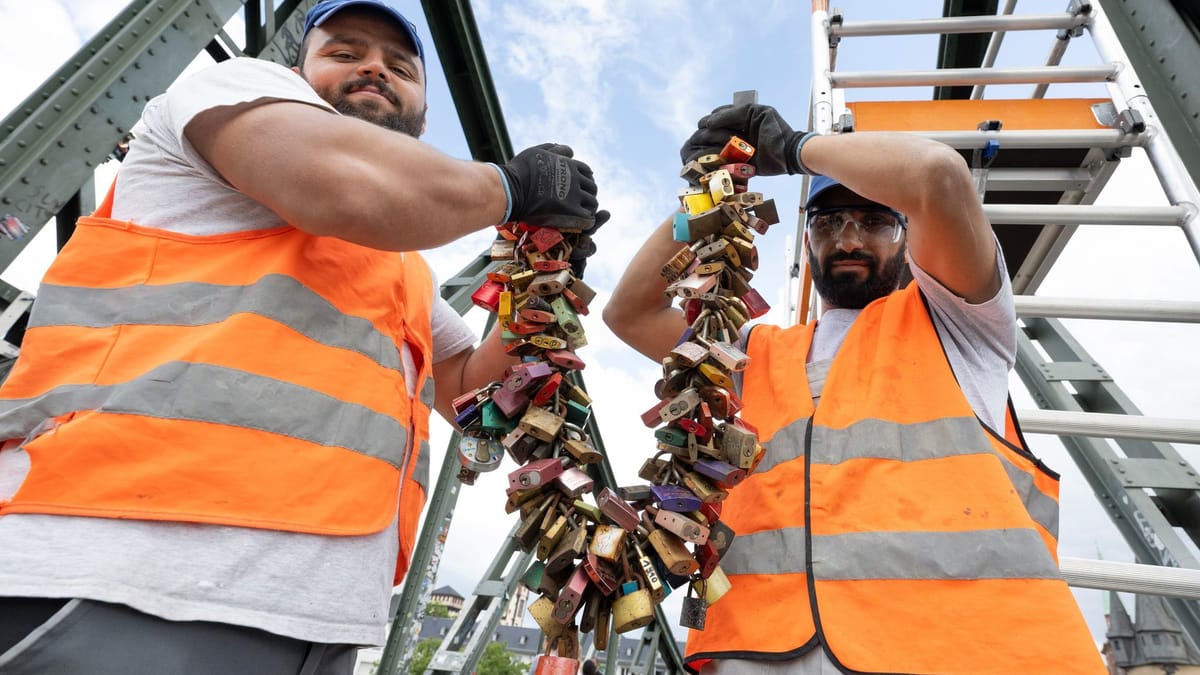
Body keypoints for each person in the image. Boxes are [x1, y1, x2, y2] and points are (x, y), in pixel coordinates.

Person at [0, 1, 603, 673]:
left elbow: (469, 388)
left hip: (320, 618)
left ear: (421, 115)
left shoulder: (403, 266)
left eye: (399, 67)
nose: (374, 67)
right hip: (125, 575)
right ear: (291, 72)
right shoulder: (228, 94)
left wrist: (539, 288)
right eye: (344, 53)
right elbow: (342, 183)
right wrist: (510, 187)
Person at [603, 104, 1105, 674]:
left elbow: (938, 177)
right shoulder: (751, 353)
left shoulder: (960, 323)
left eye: (873, 222)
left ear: (909, 235)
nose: (847, 239)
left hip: (959, 651)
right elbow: (630, 312)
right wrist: (711, 191)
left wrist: (795, 149)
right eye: (827, 223)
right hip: (754, 651)